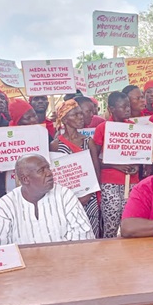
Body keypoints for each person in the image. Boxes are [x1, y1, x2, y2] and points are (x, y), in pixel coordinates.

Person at [0, 154, 94, 247]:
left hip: (65, 267)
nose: (49, 173)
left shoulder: (64, 196)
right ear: (25, 179)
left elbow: (83, 239)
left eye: (48, 168)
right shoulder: (4, 208)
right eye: (41, 170)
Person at [50, 99, 101, 238]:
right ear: (65, 119)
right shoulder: (55, 145)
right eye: (75, 115)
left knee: (91, 234)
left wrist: (88, 194)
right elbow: (57, 175)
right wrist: (70, 198)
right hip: (66, 199)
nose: (80, 117)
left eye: (80, 114)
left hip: (88, 198)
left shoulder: (87, 141)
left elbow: (96, 171)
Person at [92, 91, 140, 238]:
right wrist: (115, 166)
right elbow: (95, 159)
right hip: (110, 183)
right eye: (123, 106)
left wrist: (137, 165)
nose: (128, 109)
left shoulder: (134, 127)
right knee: (111, 225)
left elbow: (140, 155)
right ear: (112, 109)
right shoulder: (102, 128)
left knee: (129, 222)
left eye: (128, 106)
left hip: (131, 182)